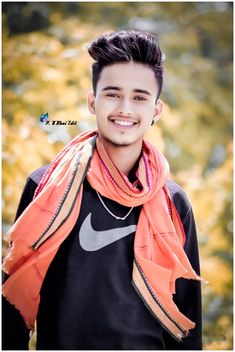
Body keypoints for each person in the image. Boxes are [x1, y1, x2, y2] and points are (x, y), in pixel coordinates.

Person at [2, 30, 202, 350]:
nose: (125, 108)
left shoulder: (173, 202)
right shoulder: (45, 187)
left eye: (139, 97)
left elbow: (187, 320)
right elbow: (10, 309)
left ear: (156, 110)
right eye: (112, 94)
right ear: (92, 100)